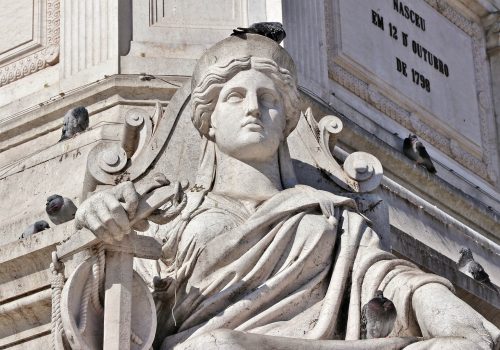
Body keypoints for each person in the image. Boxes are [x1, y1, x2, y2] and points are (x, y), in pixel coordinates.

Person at [76, 34, 499, 350]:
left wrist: (453, 318)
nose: (253, 108)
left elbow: (386, 276)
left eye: (268, 98)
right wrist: (96, 236)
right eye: (235, 97)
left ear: (288, 121)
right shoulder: (167, 208)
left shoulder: (336, 216)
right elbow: (118, 307)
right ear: (208, 120)